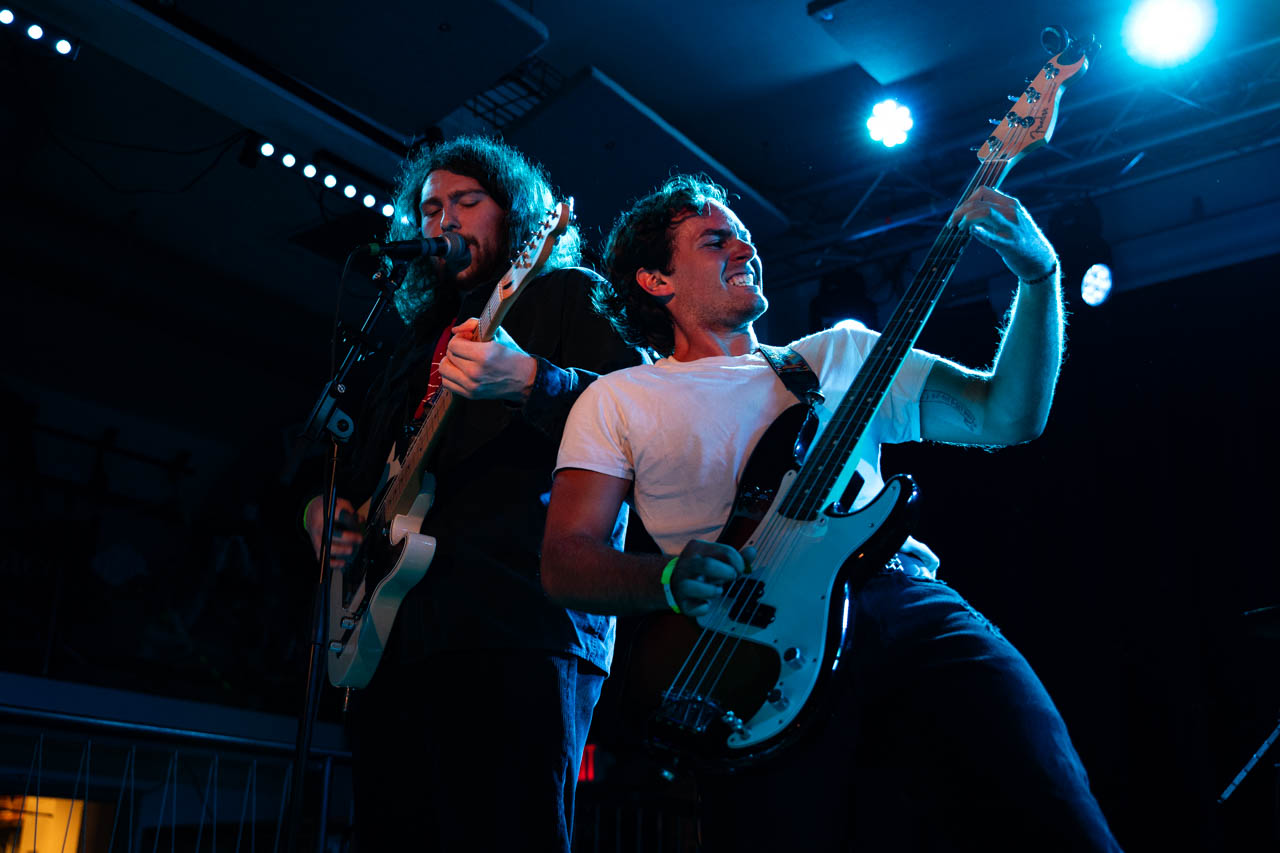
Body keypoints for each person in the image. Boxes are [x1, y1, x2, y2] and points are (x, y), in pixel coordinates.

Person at [540, 174, 1123, 851]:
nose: (745, 249)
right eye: (714, 239)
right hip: (754, 648)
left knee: (1051, 799)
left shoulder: (841, 353)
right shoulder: (618, 399)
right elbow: (565, 561)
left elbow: (1008, 414)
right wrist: (666, 578)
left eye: (747, 237)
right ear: (655, 279)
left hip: (901, 600)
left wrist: (1039, 277)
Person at [301, 135, 639, 851]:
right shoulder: (407, 345)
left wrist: (530, 380)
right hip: (397, 637)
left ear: (514, 214)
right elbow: (362, 476)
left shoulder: (565, 293)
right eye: (428, 209)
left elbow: (640, 415)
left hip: (521, 621)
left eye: (465, 201)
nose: (442, 221)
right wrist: (327, 513)